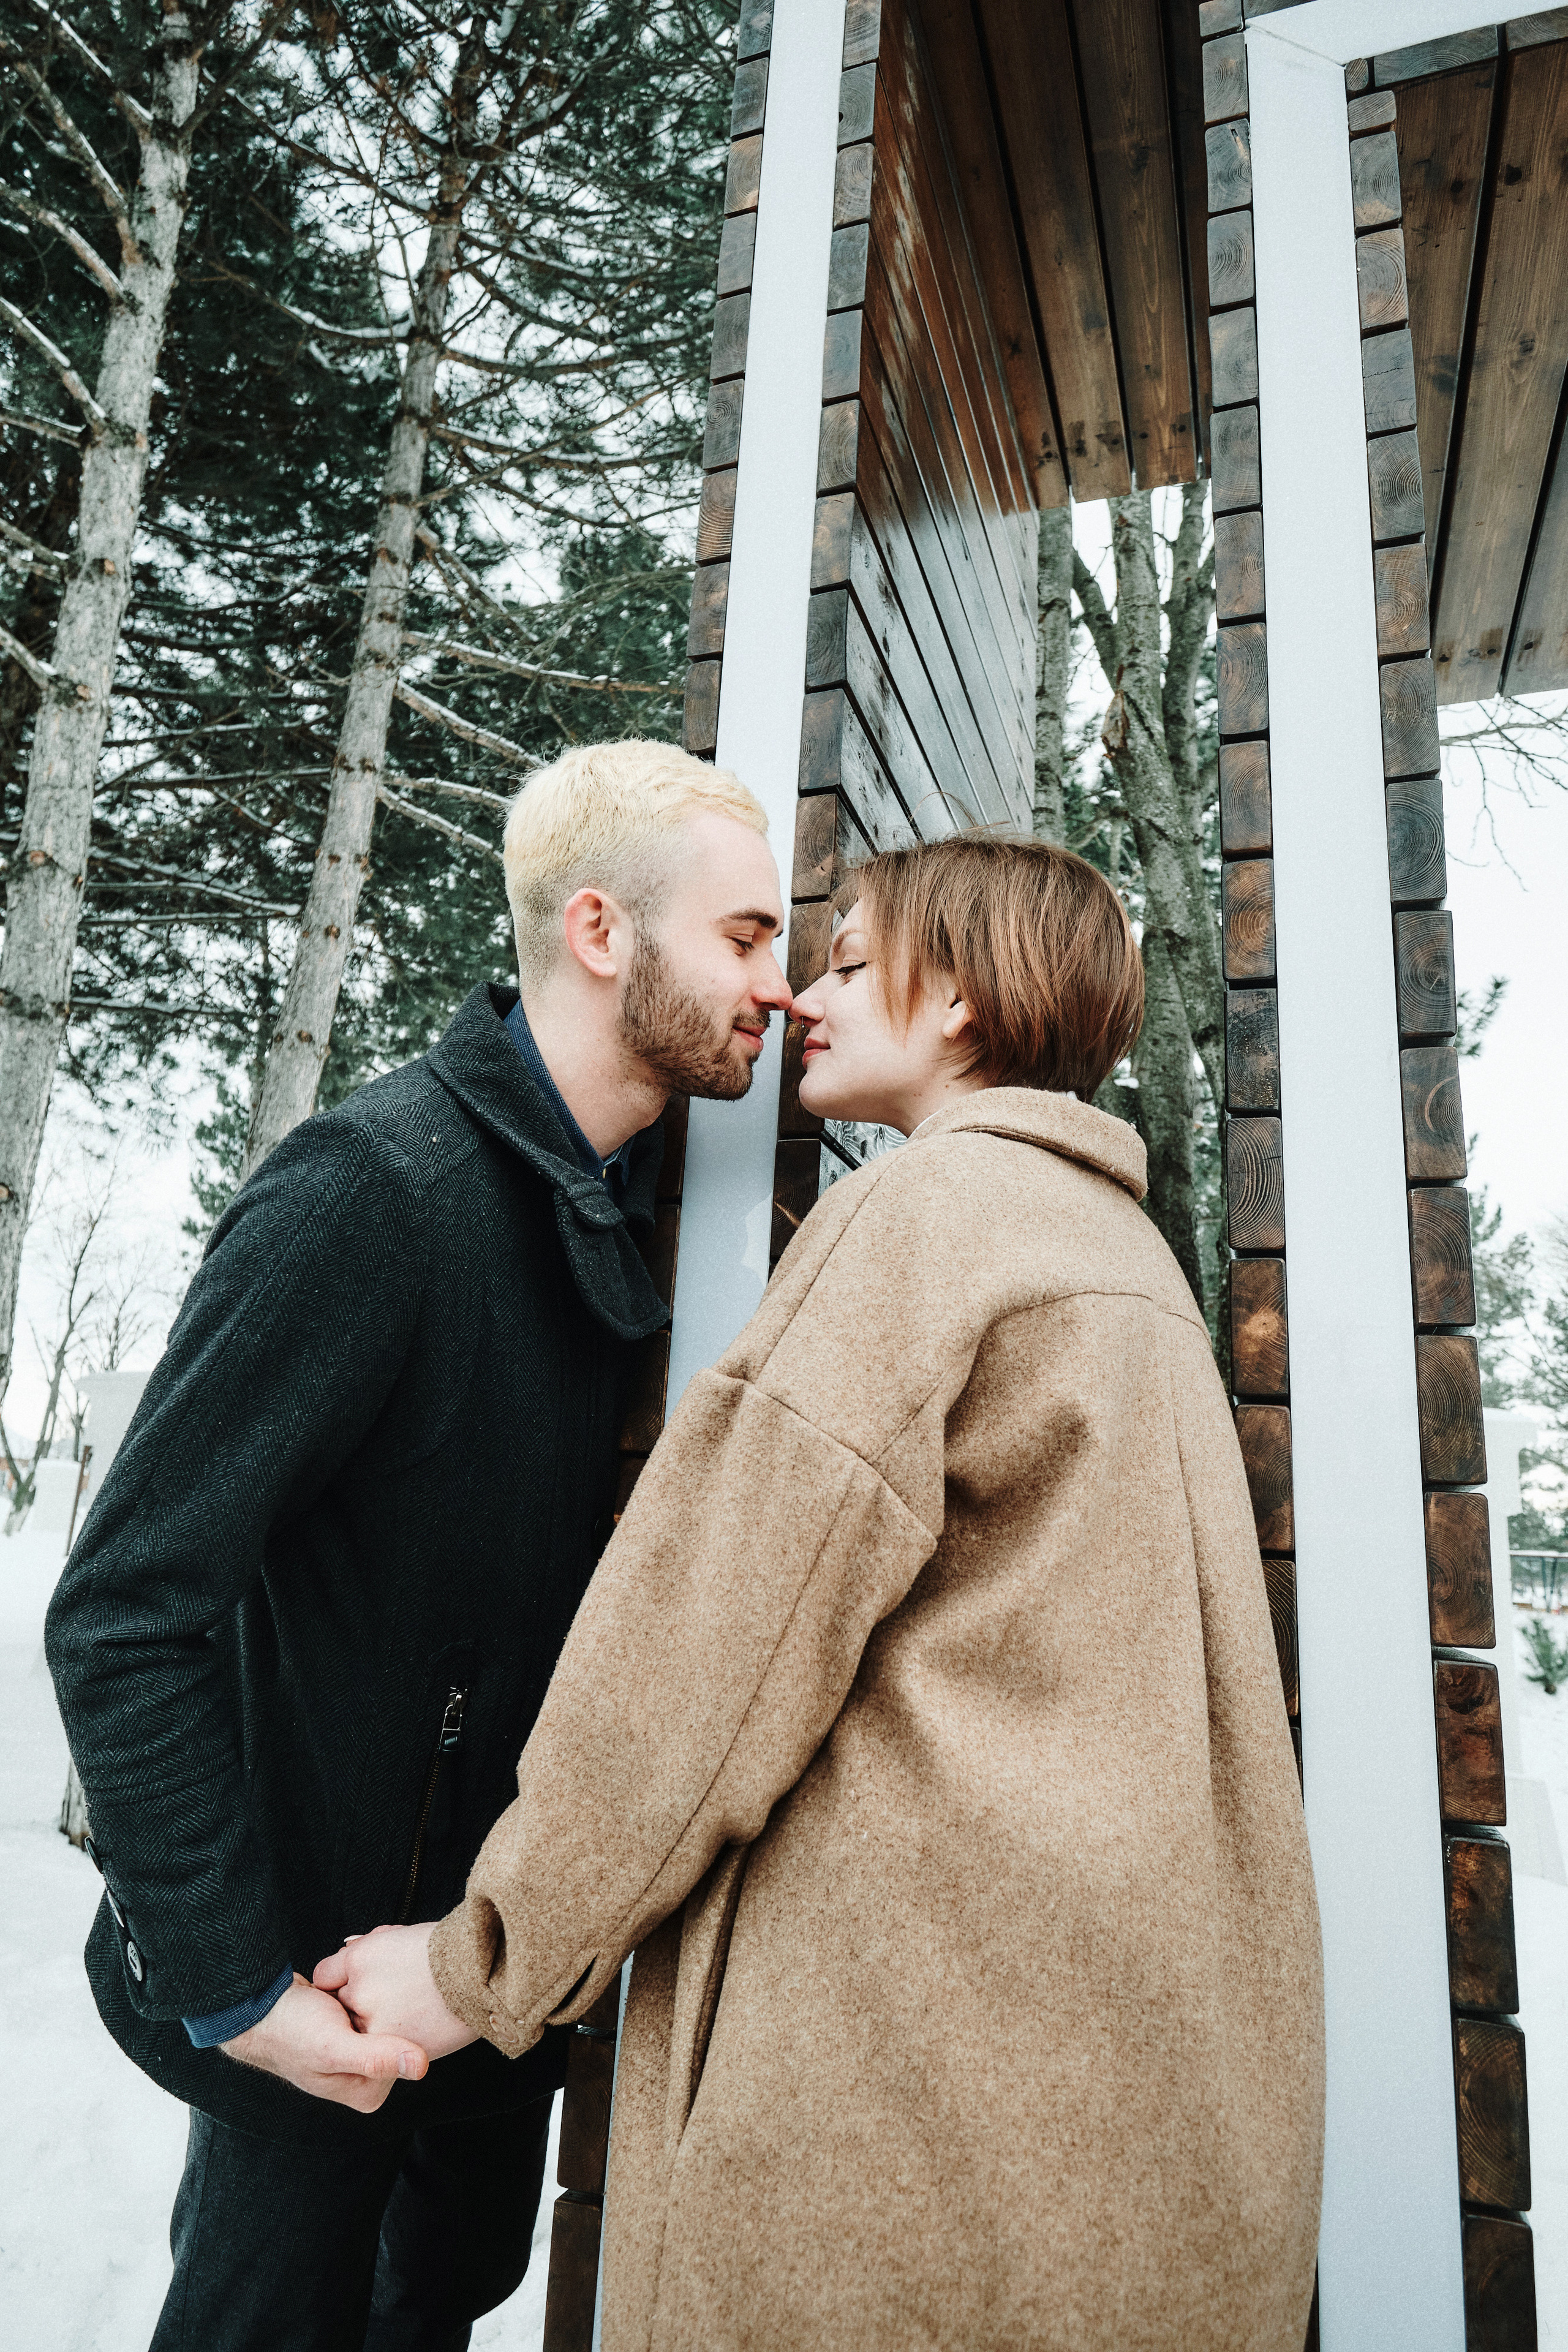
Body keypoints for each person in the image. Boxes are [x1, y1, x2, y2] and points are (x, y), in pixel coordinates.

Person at [323, 833, 1326, 2351]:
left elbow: (712, 1643)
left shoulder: (924, 1218)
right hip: (1108, 2114)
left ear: (965, 1008)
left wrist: (484, 1961)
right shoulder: (1126, 1264)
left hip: (896, 2095)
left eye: (852, 961)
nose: (800, 994)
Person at [44, 739, 794, 2352]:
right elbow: (120, 1612)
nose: (781, 987)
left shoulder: (629, 1201)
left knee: (442, 2307)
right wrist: (240, 1988)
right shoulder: (371, 1195)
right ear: (601, 933)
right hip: (308, 2002)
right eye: (746, 937)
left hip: (471, 2006)